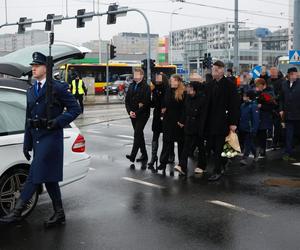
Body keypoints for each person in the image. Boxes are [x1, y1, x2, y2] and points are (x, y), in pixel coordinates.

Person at [0, 52, 81, 226]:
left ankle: (17, 212)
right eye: (32, 65)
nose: (33, 68)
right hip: (37, 138)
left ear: (46, 67)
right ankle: (59, 214)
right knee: (50, 178)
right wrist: (26, 143)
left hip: (51, 138)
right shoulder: (31, 90)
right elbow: (28, 119)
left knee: (34, 174)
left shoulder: (57, 87)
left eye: (36, 65)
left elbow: (75, 109)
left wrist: (57, 122)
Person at [205, 60, 240, 181]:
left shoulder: (230, 85)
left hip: (223, 121)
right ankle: (224, 162)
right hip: (211, 121)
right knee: (214, 146)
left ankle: (217, 171)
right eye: (213, 69)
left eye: (217, 69)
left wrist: (233, 123)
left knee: (219, 146)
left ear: (222, 70)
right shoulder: (209, 84)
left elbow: (234, 105)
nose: (214, 72)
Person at [174, 81, 209, 176]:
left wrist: (202, 128)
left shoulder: (202, 99)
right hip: (189, 125)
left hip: (198, 126)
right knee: (186, 146)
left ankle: (201, 166)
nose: (187, 89)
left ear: (194, 89)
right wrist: (182, 121)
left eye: (189, 87)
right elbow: (185, 110)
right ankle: (182, 166)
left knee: (200, 146)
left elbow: (203, 115)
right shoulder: (188, 97)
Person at [158, 74, 185, 176]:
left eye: (174, 81)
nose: (172, 82)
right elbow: (163, 102)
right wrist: (162, 110)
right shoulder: (168, 90)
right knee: (166, 142)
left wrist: (182, 121)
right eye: (171, 81)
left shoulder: (183, 91)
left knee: (180, 145)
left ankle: (182, 165)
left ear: (178, 81)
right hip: (168, 120)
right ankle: (163, 163)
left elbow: (184, 108)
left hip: (178, 122)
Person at [125, 68, 151, 168]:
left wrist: (136, 112)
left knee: (137, 133)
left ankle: (133, 155)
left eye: (137, 74)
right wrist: (130, 112)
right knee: (139, 134)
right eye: (134, 74)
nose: (135, 76)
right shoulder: (131, 85)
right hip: (133, 115)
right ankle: (144, 154)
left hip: (142, 114)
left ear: (142, 75)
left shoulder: (146, 87)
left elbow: (146, 103)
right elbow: (127, 101)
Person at [147, 73, 168, 172]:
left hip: (165, 116)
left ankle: (168, 156)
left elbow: (166, 102)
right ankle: (153, 157)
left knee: (167, 137)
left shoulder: (167, 89)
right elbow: (153, 103)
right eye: (156, 78)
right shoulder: (154, 89)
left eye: (159, 78)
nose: (157, 80)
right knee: (155, 136)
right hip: (156, 116)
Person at [279, 67, 300, 161]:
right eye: (291, 74)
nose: (293, 76)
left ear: (297, 74)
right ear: (288, 75)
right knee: (288, 135)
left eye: (294, 74)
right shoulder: (284, 84)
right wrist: (281, 109)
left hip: (298, 114)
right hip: (288, 115)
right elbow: (281, 99)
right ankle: (288, 153)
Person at [255, 78, 275, 158]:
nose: (258, 88)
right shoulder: (260, 92)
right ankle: (259, 149)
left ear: (264, 85)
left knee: (262, 133)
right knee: (258, 133)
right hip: (259, 115)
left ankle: (262, 150)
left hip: (265, 116)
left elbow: (272, 105)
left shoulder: (268, 93)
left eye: (259, 86)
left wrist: (261, 106)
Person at [239, 90, 260, 165]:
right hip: (243, 127)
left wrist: (254, 129)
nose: (243, 97)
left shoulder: (254, 106)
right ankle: (255, 152)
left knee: (247, 143)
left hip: (250, 128)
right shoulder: (242, 105)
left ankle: (245, 158)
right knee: (249, 142)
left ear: (248, 97)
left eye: (244, 96)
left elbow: (256, 119)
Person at [267, 67, 285, 150]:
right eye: (271, 72)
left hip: (278, 106)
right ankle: (275, 141)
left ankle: (276, 142)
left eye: (274, 72)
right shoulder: (269, 80)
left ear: (277, 72)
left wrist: (275, 98)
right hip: (270, 106)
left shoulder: (282, 81)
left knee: (277, 126)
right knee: (272, 125)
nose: (272, 73)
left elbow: (282, 94)